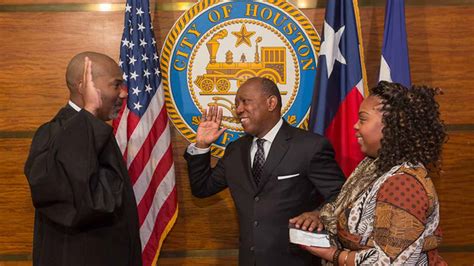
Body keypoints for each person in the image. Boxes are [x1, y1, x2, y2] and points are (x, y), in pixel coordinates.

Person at [184, 77, 345, 266]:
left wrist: (318, 214)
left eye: (245, 101)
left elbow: (342, 195)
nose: (238, 109)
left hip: (295, 261)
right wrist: (201, 146)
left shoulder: (310, 146)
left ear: (271, 103)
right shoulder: (235, 150)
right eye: (236, 104)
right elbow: (202, 188)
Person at [301, 81, 447, 265]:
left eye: (363, 119)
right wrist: (318, 217)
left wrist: (334, 254)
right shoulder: (374, 167)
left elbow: (392, 262)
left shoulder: (403, 183)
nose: (355, 126)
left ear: (391, 125)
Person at [24, 52, 142, 266]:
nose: (124, 94)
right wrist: (88, 113)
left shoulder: (94, 130)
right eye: (116, 85)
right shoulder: (54, 133)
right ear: (84, 87)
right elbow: (83, 202)